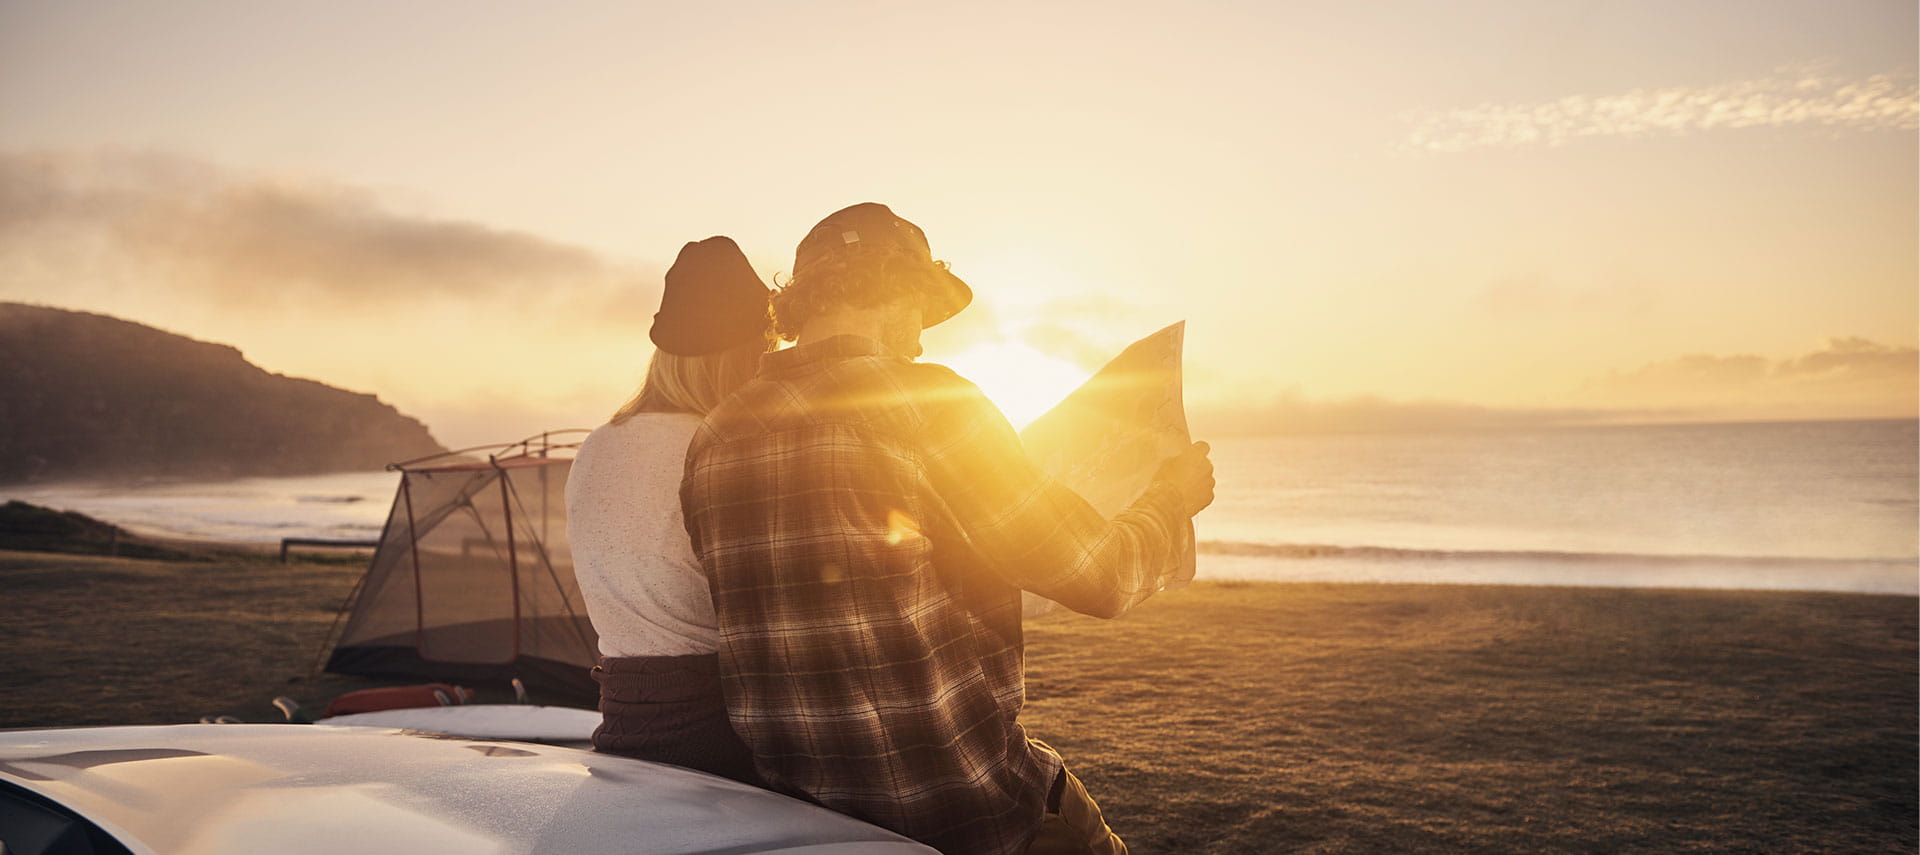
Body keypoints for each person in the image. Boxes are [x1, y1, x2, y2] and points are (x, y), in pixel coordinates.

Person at [682, 203, 1215, 854]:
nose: (919, 339)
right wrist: (1169, 498)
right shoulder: (928, 406)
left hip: (806, 819)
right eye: (920, 310)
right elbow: (1100, 576)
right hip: (969, 810)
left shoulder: (714, 435)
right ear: (893, 287)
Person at [564, 235, 772, 785]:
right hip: (717, 725)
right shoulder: (717, 447)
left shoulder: (599, 443)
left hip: (620, 715)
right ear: (744, 353)